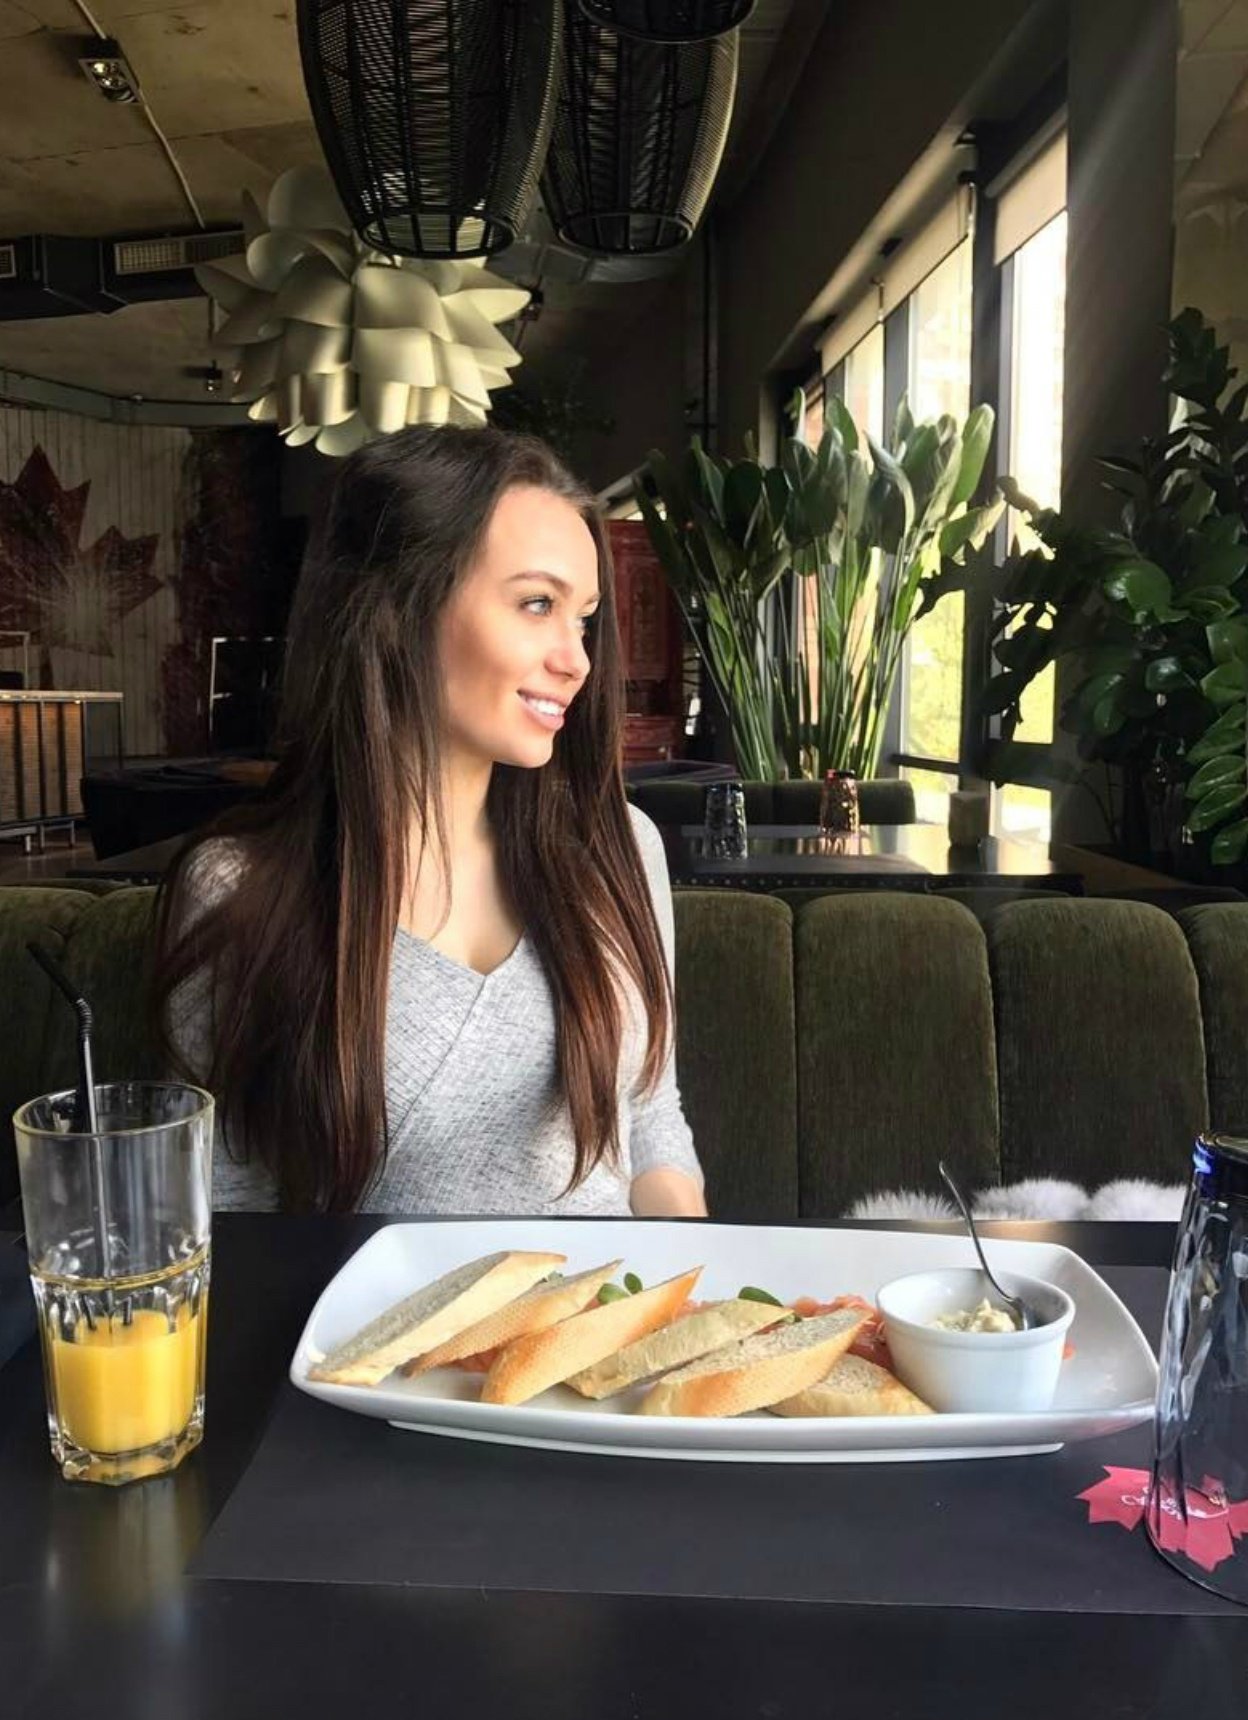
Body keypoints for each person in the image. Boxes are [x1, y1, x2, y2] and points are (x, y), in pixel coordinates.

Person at [151, 424, 706, 1221]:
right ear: (397, 610)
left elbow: (650, 1119)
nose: (578, 660)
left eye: (583, 618)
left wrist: (694, 1265)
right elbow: (227, 1199)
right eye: (538, 604)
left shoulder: (618, 848)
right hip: (361, 1305)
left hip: (607, 1298)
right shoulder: (241, 890)